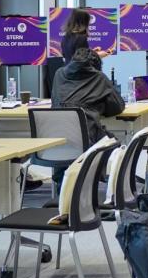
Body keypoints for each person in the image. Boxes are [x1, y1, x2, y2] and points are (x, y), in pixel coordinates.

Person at [50, 47, 125, 184]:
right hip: (88, 141)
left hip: (57, 143)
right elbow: (117, 107)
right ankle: (98, 180)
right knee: (115, 144)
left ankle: (66, 184)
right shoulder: (99, 77)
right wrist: (99, 106)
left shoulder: (59, 74)